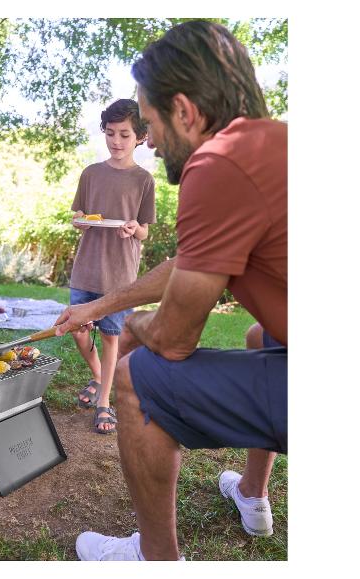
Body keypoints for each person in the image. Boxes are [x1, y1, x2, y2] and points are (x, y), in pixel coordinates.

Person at [54, 20, 287, 560]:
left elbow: (176, 339)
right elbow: (191, 263)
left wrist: (136, 328)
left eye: (152, 122)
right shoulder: (270, 146)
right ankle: (252, 496)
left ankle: (155, 558)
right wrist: (103, 305)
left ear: (184, 111)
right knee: (260, 334)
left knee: (138, 378)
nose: (151, 140)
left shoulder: (218, 163)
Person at [68, 98, 156, 434]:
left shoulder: (144, 181)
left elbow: (144, 230)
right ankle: (99, 376)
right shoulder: (90, 174)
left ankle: (104, 401)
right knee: (77, 329)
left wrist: (135, 229)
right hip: (86, 268)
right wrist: (80, 221)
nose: (116, 141)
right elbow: (79, 214)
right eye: (110, 133)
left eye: (123, 134)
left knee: (109, 336)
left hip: (120, 275)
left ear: (139, 137)